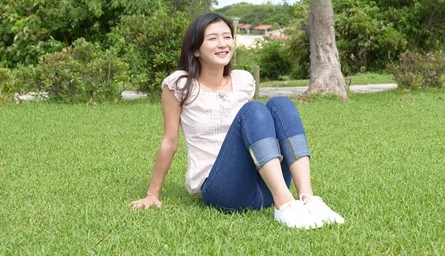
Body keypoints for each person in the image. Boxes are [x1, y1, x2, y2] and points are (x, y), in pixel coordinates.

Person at [131, 13, 344, 229]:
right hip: (222, 190)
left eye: (227, 37)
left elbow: (258, 132)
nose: (223, 44)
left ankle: (307, 198)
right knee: (253, 110)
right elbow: (170, 141)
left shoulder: (243, 80)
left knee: (281, 104)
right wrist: (152, 194)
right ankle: (284, 204)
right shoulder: (179, 85)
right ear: (196, 49)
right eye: (213, 38)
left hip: (265, 188)